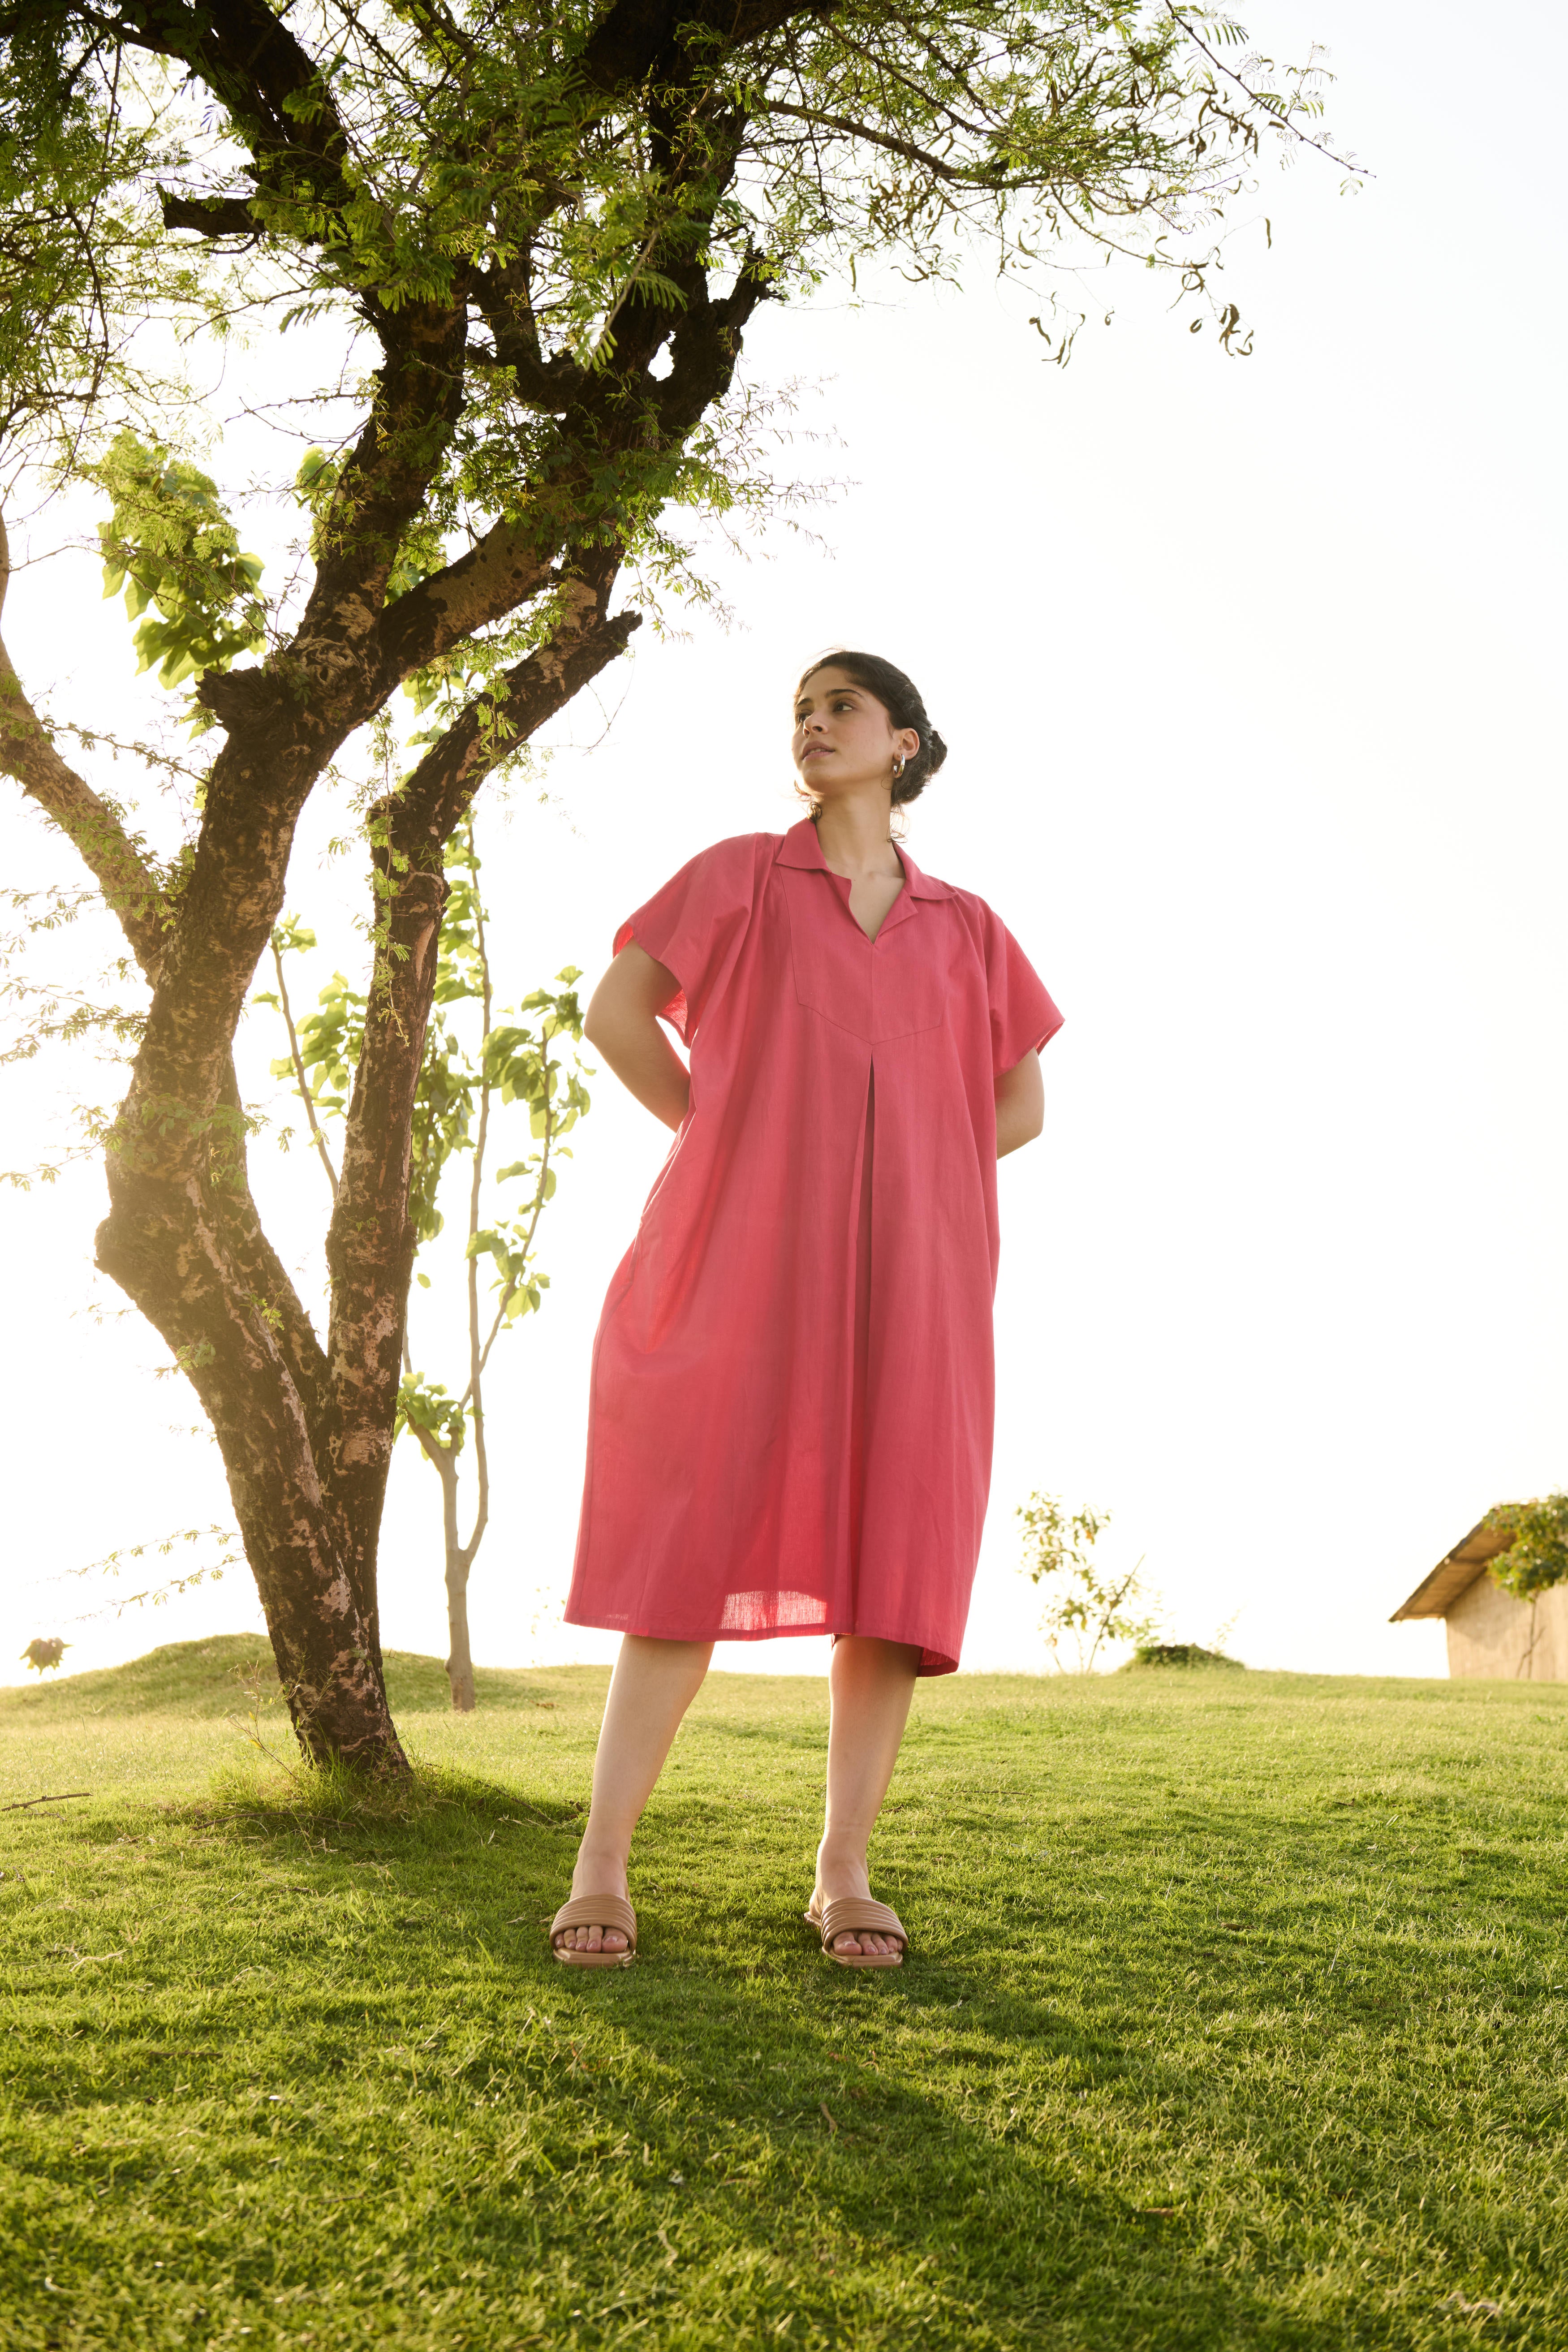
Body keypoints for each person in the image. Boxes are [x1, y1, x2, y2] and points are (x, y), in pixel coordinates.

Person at [548, 650, 1062, 1969]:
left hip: (918, 1276)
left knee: (893, 1565)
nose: (814, 725)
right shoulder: (739, 877)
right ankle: (600, 1863)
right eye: (800, 710)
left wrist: (923, 1166)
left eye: (843, 707)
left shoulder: (968, 927)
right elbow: (615, 1014)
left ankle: (844, 1871)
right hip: (745, 1257)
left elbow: (1020, 1101)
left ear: (903, 744)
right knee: (688, 1533)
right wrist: (724, 1134)